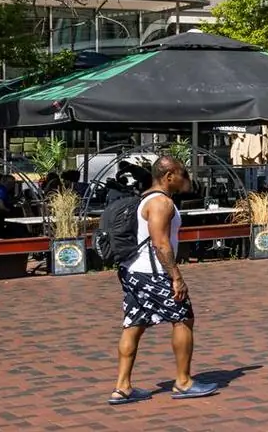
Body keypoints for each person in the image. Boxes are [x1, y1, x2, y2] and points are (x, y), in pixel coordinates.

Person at [110, 154, 219, 404]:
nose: (186, 178)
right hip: (154, 273)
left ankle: (122, 387)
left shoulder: (146, 199)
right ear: (169, 176)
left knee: (133, 325)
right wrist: (176, 277)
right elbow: (160, 243)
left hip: (133, 272)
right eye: (183, 174)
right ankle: (183, 382)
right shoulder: (162, 203)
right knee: (183, 319)